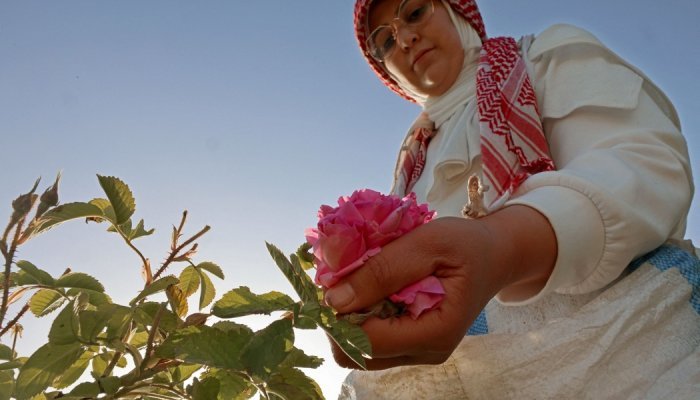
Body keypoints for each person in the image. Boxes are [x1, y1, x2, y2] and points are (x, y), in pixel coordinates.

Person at [324, 0, 700, 398]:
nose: (406, 38)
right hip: (468, 372)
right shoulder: (412, 159)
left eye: (414, 12)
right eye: (384, 41)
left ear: (457, 12)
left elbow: (645, 168)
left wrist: (503, 246)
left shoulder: (542, 56)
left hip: (622, 346)